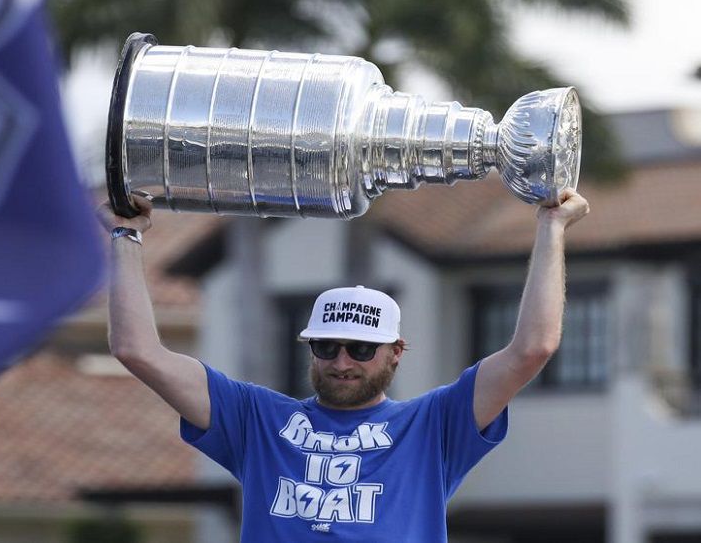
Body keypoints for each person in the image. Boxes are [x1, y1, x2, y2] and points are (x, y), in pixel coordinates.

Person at [99, 190, 590, 542]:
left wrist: (551, 227)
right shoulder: (257, 419)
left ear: (397, 351)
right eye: (327, 347)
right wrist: (126, 234)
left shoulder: (433, 426)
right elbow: (137, 350)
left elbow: (533, 348)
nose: (341, 362)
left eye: (360, 349)